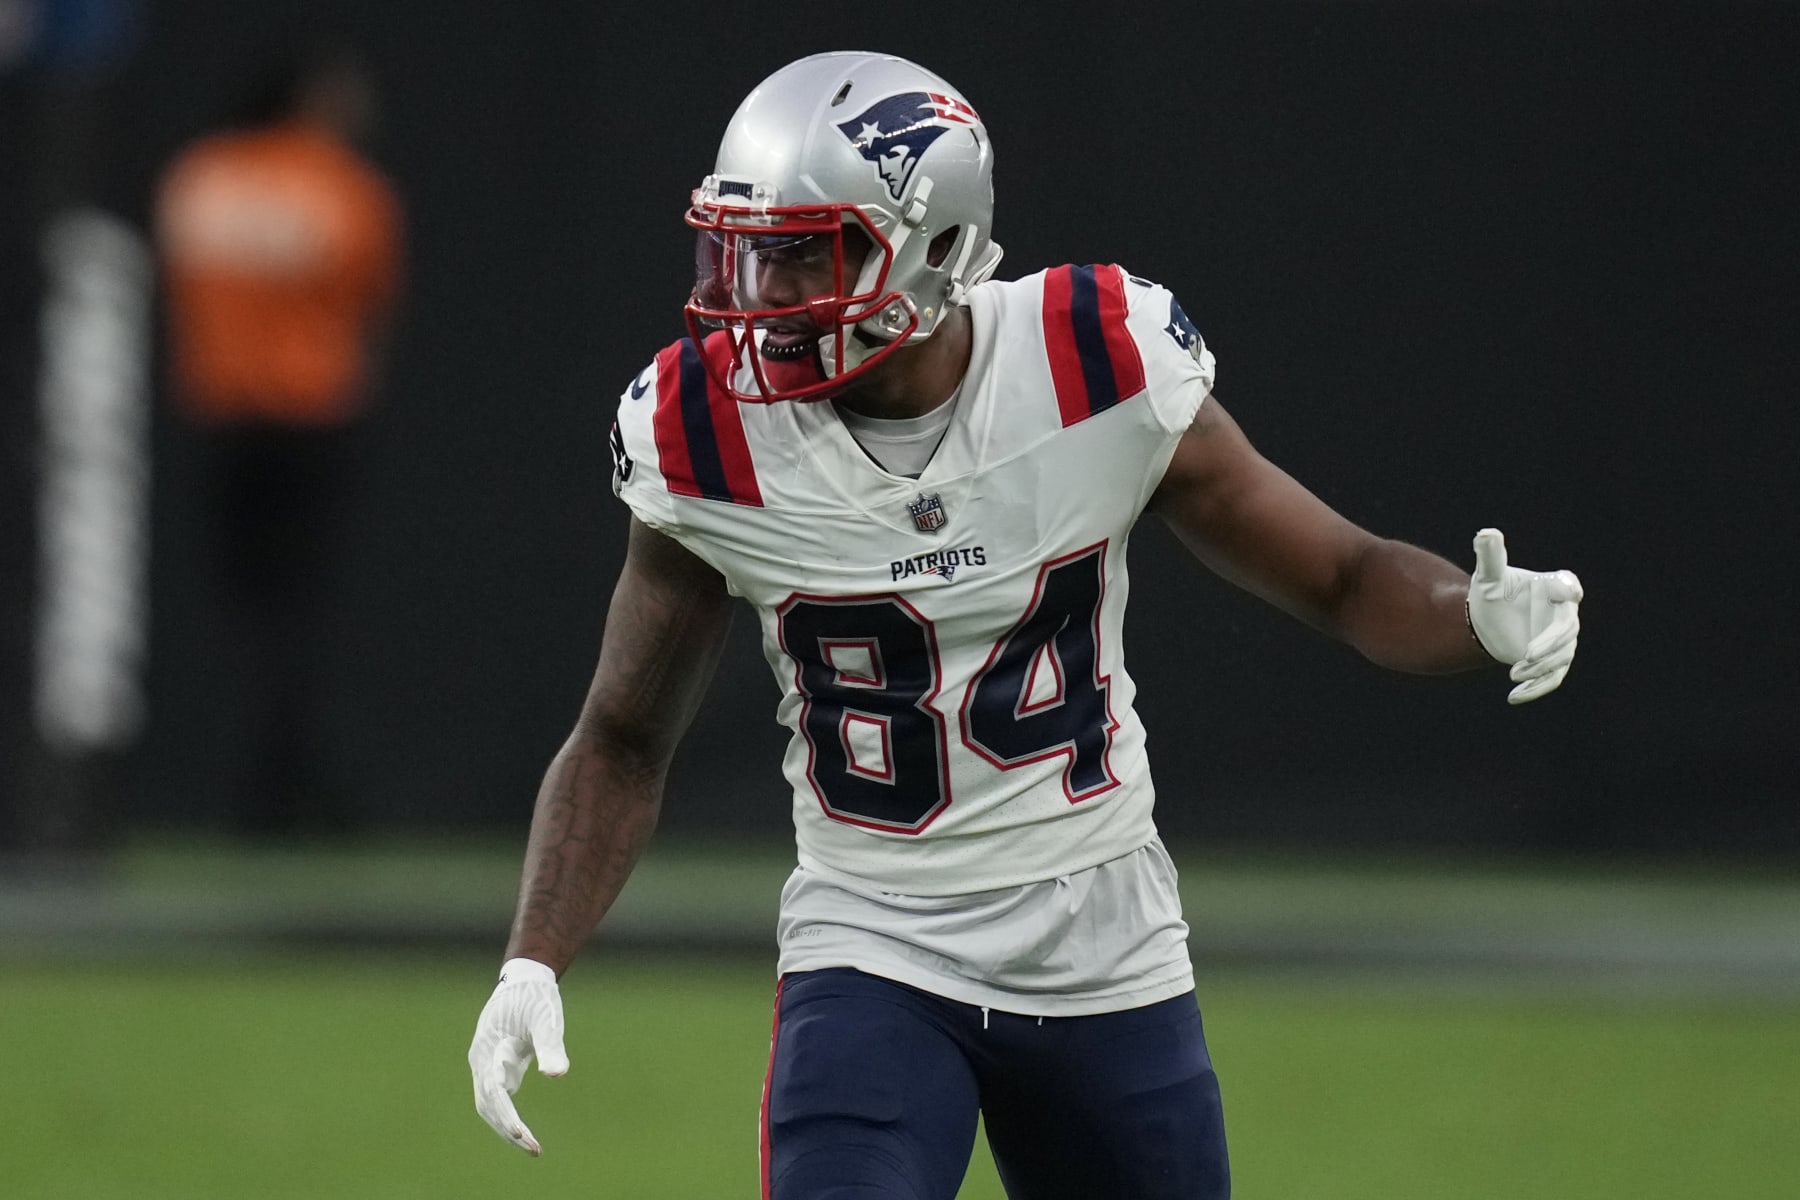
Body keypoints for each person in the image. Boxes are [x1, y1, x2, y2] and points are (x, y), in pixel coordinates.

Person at [467, 51, 1583, 1198]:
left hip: (1106, 941)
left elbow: (1346, 577)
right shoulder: (706, 434)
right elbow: (621, 737)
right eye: (752, 253)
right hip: (874, 941)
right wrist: (531, 959)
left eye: (809, 253)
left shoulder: (1093, 357)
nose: (765, 297)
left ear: (936, 245)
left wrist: (1471, 615)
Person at [154, 44, 403, 835]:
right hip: (310, 420)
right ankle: (288, 786)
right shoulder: (343, 187)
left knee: (243, 607)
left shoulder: (200, 176)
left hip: (222, 421)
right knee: (301, 611)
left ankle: (249, 780)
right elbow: (368, 301)